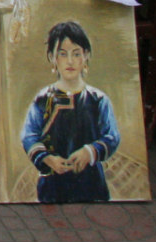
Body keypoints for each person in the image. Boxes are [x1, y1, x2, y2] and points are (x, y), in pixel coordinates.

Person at [21, 20, 120, 203]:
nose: (70, 61)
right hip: (52, 184)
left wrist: (89, 152)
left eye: (76, 54)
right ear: (52, 57)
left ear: (86, 55)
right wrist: (48, 159)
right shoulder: (43, 99)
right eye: (63, 54)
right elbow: (29, 136)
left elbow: (112, 136)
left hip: (91, 184)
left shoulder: (98, 99)